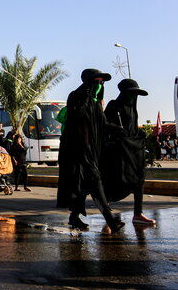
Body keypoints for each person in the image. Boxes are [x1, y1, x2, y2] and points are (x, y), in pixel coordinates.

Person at [56, 68, 124, 233]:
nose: (100, 85)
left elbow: (102, 123)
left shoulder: (95, 104)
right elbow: (76, 116)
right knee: (95, 182)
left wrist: (121, 130)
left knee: (84, 187)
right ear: (88, 83)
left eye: (102, 83)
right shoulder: (76, 97)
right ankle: (111, 220)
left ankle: (74, 217)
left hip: (91, 153)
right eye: (97, 82)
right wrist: (87, 98)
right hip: (76, 152)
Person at [101, 79, 155, 225]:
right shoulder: (114, 105)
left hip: (133, 150)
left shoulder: (133, 108)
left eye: (135, 94)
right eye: (131, 93)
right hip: (117, 151)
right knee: (116, 180)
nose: (133, 96)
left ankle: (138, 213)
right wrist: (116, 129)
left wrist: (140, 134)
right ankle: (107, 212)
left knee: (139, 179)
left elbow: (133, 129)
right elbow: (103, 123)